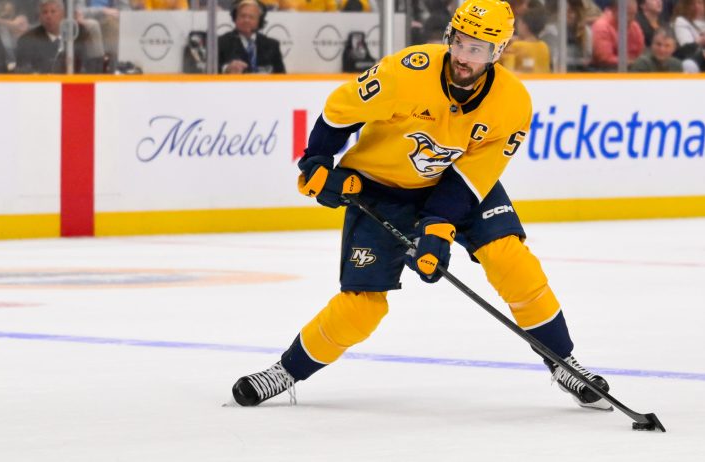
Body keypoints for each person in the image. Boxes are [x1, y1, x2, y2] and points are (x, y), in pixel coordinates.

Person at [228, 0, 614, 412]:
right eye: (460, 43)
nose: (464, 57)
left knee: (511, 260)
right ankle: (286, 371)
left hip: (455, 186)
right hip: (381, 187)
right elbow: (341, 110)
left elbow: (468, 180)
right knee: (362, 307)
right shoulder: (407, 72)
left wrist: (436, 229)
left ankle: (563, 363)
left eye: (477, 49)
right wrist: (318, 160)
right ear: (450, 36)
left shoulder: (512, 105)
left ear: (498, 53)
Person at [15, 0, 98, 73]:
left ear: (63, 14)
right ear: (40, 17)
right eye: (45, 12)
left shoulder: (78, 35)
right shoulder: (27, 40)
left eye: (53, 11)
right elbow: (23, 73)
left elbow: (89, 66)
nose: (49, 16)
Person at [218, 0, 284, 74]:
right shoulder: (221, 43)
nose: (246, 20)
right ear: (235, 18)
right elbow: (209, 72)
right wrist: (226, 69)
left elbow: (282, 77)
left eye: (251, 17)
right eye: (242, 16)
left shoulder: (272, 45)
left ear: (259, 21)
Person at [590, 0, 645, 69]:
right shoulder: (601, 27)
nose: (632, 18)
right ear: (614, 11)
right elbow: (605, 59)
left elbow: (640, 53)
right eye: (628, 14)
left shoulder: (634, 26)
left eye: (634, 14)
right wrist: (633, 62)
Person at [501, 3, 551, 72]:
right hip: (542, 81)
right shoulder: (544, 46)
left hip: (522, 81)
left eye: (518, 22)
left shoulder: (516, 46)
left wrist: (505, 48)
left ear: (524, 25)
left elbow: (508, 70)